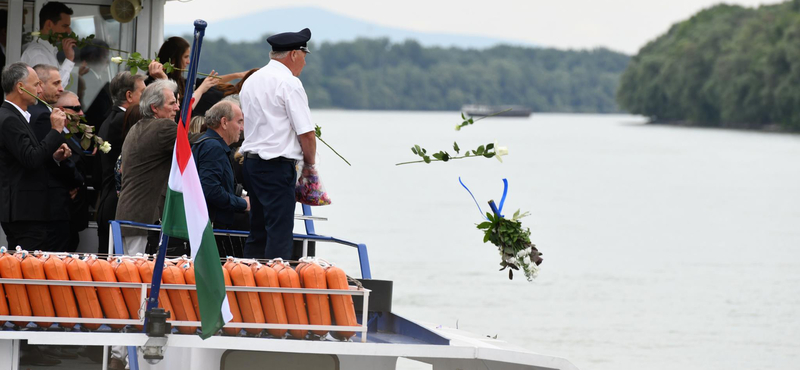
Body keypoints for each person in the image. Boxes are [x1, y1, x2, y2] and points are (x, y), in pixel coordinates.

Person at [239, 28, 317, 260]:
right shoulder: (289, 83)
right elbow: (307, 134)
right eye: (305, 54)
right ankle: (275, 289)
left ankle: (247, 284)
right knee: (279, 234)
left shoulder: (251, 81)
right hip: (276, 166)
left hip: (251, 164)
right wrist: (310, 167)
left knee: (258, 231)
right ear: (294, 54)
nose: (305, 61)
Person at [0, 62, 70, 253]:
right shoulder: (9, 118)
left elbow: (28, 154)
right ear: (21, 88)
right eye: (36, 84)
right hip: (24, 211)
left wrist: (53, 154)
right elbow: (30, 159)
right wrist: (55, 130)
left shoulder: (18, 116)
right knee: (29, 269)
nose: (40, 90)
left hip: (26, 210)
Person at [114, 79, 179, 255]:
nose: (177, 108)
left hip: (127, 216)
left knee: (128, 276)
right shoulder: (163, 127)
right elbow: (192, 146)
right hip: (144, 220)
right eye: (172, 103)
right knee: (140, 278)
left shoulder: (137, 127)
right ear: (154, 108)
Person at [192, 99, 249, 257]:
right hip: (214, 230)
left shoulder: (204, 143)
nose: (242, 128)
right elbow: (210, 190)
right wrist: (243, 203)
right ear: (224, 122)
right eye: (239, 122)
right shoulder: (213, 147)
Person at [95, 71, 145, 252]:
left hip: (109, 200)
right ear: (129, 95)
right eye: (143, 93)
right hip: (116, 204)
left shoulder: (111, 118)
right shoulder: (121, 120)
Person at [21, 2, 76, 89]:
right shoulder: (38, 54)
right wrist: (69, 60)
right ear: (49, 24)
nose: (69, 31)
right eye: (65, 26)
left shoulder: (48, 51)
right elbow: (51, 90)